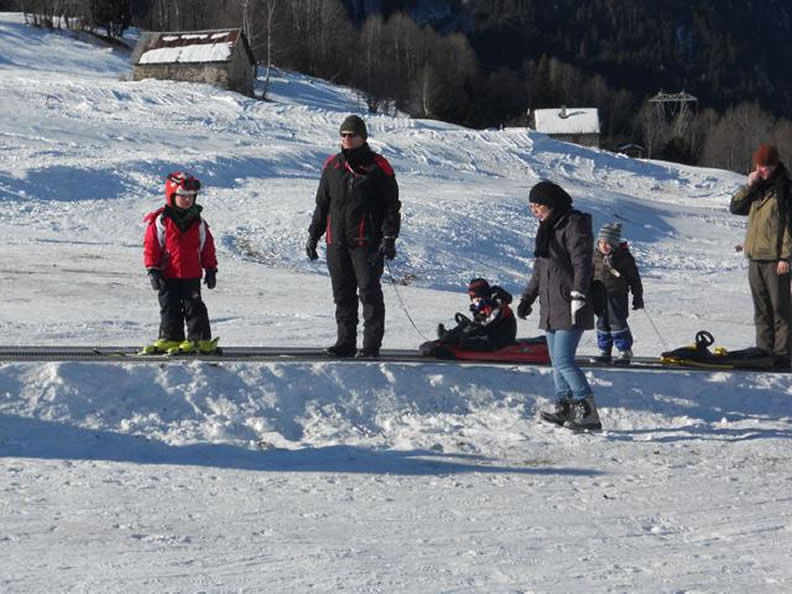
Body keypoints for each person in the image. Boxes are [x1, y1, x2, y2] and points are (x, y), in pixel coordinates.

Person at [305, 115, 401, 359]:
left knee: (369, 292)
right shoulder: (332, 166)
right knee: (342, 294)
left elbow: (392, 206)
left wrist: (389, 236)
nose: (347, 139)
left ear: (363, 138)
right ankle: (345, 342)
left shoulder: (379, 166)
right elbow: (322, 205)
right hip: (336, 241)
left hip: (366, 242)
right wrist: (313, 235)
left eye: (352, 135)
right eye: (344, 135)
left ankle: (370, 346)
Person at [517, 180, 601, 431]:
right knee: (556, 361)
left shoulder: (573, 224)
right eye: (531, 207)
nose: (535, 211)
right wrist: (527, 298)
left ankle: (588, 412)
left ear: (552, 204)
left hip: (571, 303)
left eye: (538, 205)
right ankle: (565, 408)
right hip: (551, 306)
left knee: (564, 360)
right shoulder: (546, 230)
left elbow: (582, 262)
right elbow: (540, 270)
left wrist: (579, 293)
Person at [730, 144, 792, 370]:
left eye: (765, 167)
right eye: (758, 166)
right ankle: (764, 350)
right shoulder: (757, 189)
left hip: (776, 260)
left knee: (780, 308)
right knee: (761, 308)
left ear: (774, 166)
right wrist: (749, 186)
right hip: (755, 257)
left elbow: (790, 227)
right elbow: (736, 208)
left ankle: (783, 354)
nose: (761, 170)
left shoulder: (785, 189)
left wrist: (786, 257)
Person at [143, 171, 218, 354]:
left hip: (191, 274)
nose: (187, 200)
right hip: (168, 274)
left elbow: (207, 246)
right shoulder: (162, 220)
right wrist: (152, 269)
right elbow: (152, 245)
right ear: (172, 196)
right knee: (169, 307)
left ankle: (199, 339)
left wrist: (210, 268)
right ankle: (171, 338)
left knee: (194, 307)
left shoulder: (198, 222)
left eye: (191, 196)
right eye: (183, 196)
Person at [592, 222, 644, 363]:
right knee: (602, 323)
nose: (604, 246)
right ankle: (604, 350)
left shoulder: (623, 257)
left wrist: (637, 297)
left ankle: (624, 350)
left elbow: (634, 279)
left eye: (608, 243)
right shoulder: (594, 256)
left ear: (614, 244)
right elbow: (587, 275)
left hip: (617, 295)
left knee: (617, 322)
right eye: (601, 242)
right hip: (599, 296)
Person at [436, 278, 517, 351]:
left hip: (500, 340)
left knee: (466, 340)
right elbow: (480, 324)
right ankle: (448, 337)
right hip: (491, 335)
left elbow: (487, 323)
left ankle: (452, 341)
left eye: (477, 298)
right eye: (474, 299)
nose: (476, 301)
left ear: (483, 295)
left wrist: (469, 330)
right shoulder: (485, 307)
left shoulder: (497, 304)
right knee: (464, 328)